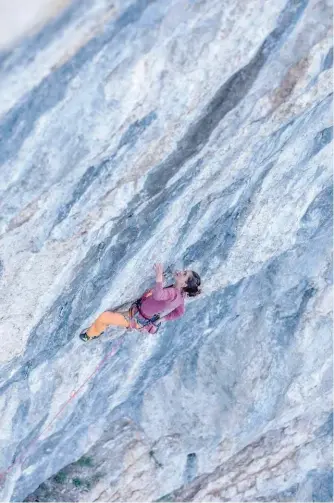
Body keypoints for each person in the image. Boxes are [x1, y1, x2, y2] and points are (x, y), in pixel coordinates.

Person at [79, 263, 201, 341]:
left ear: (184, 284)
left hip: (135, 318)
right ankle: (98, 329)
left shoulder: (174, 293)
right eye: (184, 271)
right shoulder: (180, 298)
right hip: (139, 314)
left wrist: (159, 276)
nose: (181, 271)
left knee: (104, 317)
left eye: (184, 274)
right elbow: (180, 313)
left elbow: (159, 295)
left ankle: (90, 335)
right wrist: (160, 319)